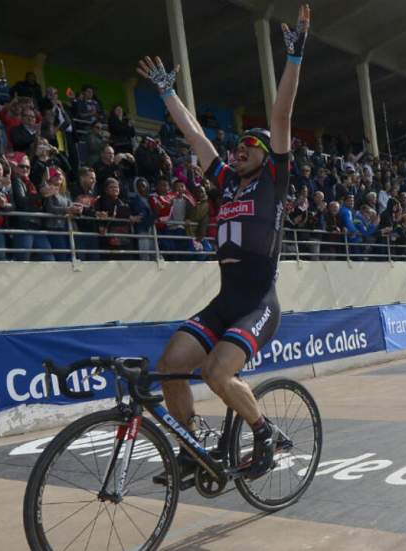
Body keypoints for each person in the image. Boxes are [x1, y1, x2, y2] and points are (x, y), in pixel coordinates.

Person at [137, 3, 309, 483]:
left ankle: (265, 433)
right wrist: (168, 93)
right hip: (224, 301)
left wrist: (293, 60)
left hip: (258, 303)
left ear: (265, 154)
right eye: (238, 146)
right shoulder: (227, 181)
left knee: (217, 374)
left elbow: (281, 113)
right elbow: (194, 136)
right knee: (171, 366)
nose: (240, 150)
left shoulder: (274, 178)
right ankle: (195, 449)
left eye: (249, 146)